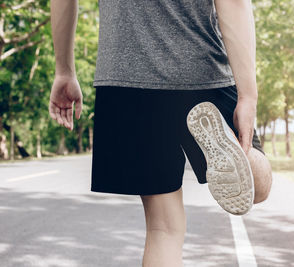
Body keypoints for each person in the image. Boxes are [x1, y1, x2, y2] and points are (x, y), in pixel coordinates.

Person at [48, 0, 273, 266]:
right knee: (258, 187)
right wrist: (248, 95)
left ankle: (228, 149)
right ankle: (229, 145)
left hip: (125, 80)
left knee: (163, 229)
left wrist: (64, 70)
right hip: (199, 67)